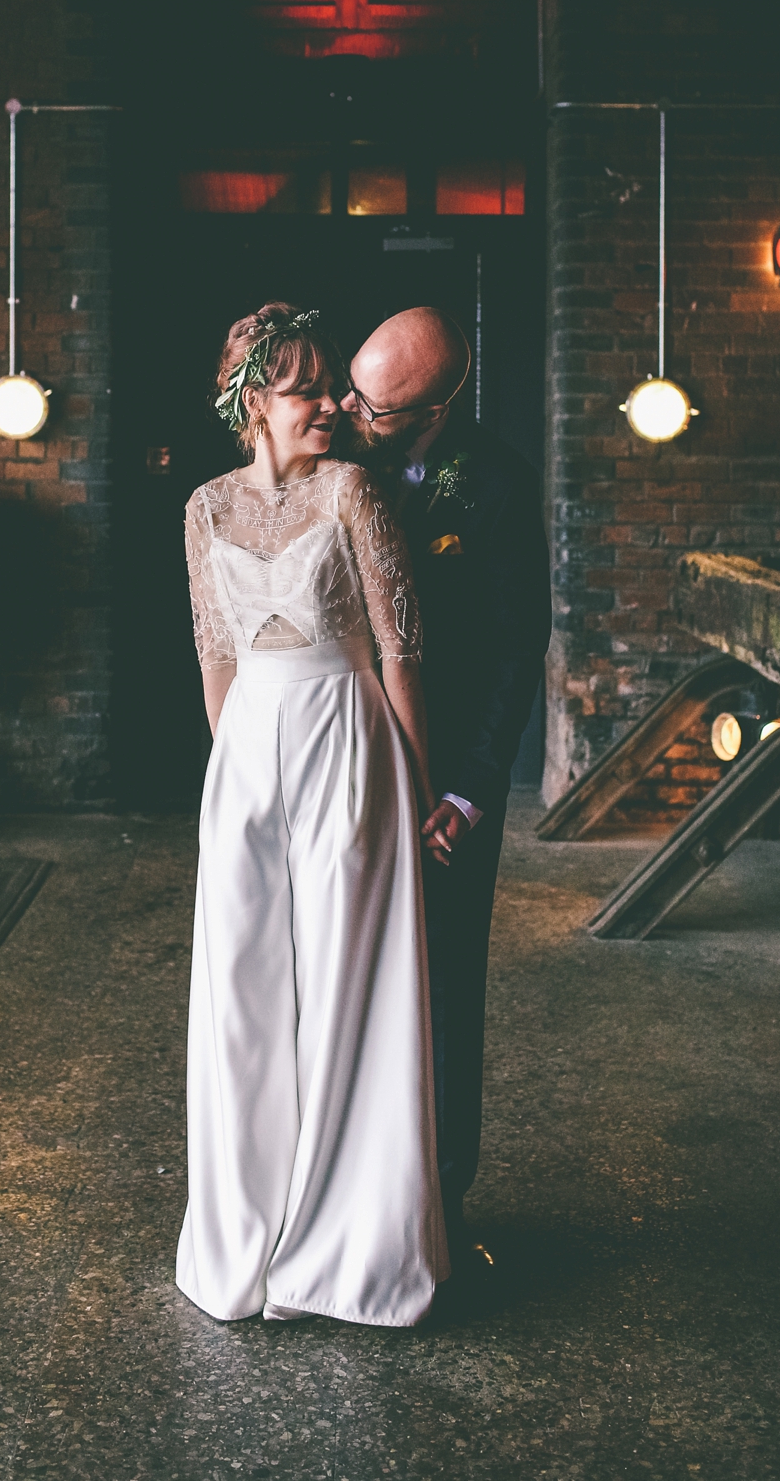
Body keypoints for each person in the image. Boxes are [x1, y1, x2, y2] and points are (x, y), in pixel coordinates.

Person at [176, 302, 449, 1328]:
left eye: (336, 384)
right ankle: (246, 1239)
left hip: (348, 740)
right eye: (308, 386)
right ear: (253, 400)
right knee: (242, 996)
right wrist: (238, 765)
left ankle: (347, 1248)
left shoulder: (355, 495)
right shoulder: (204, 509)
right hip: (247, 753)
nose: (334, 402)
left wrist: (417, 792)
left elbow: (399, 655)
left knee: (349, 987)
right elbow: (214, 659)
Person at [342, 307, 553, 1270]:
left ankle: (444, 1201)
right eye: (350, 387)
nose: (350, 410)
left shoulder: (498, 485)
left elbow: (517, 649)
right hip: (346, 762)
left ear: (433, 411)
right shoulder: (332, 463)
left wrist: (467, 793)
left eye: (375, 407)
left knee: (445, 977)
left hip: (447, 789)